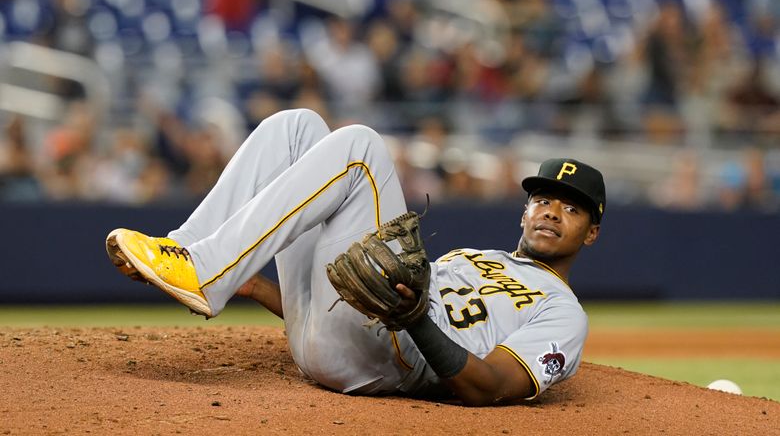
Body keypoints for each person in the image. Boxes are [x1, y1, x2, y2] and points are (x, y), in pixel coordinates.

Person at [106, 109, 605, 405]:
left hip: (393, 359)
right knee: (297, 127)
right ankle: (188, 250)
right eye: (543, 199)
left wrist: (416, 322)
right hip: (333, 344)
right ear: (523, 212)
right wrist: (258, 288)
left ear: (591, 234)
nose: (553, 212)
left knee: (361, 147)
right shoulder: (473, 256)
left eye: (572, 208)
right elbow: (354, 288)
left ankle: (203, 271)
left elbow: (495, 385)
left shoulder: (562, 311)